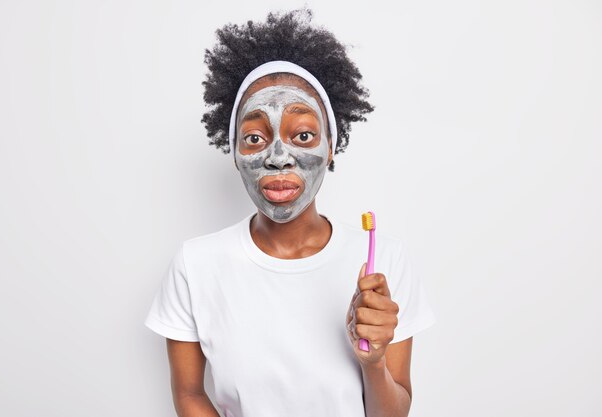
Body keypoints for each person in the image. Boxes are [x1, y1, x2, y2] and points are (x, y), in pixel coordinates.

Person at [144, 8, 436, 417]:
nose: (279, 157)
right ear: (234, 152)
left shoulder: (383, 261)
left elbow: (393, 413)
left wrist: (372, 361)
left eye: (302, 134)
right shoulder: (195, 264)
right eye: (255, 137)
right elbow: (190, 395)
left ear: (330, 146)